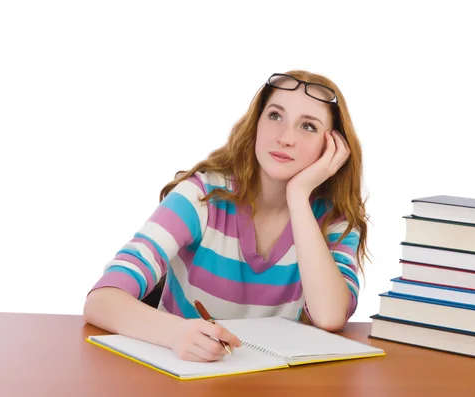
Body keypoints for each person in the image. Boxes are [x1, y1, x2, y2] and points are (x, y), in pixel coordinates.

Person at [83, 70, 369, 363]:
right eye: (274, 116)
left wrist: (297, 196)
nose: (285, 138)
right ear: (255, 124)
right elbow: (102, 300)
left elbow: (330, 316)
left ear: (334, 146)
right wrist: (175, 333)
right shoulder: (201, 197)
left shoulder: (335, 217)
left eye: (308, 126)